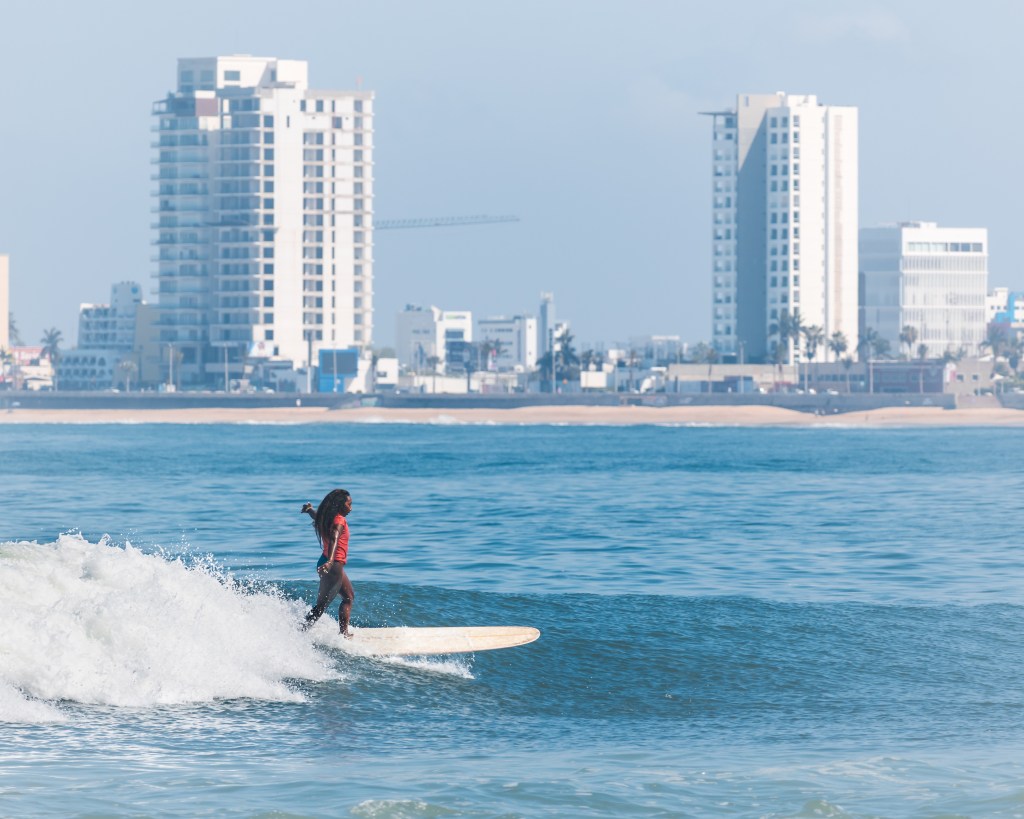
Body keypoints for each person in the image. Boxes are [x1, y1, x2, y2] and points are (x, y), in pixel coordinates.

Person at [300, 488, 355, 636]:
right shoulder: (339, 520)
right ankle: (298, 633)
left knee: (348, 597)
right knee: (321, 606)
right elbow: (333, 538)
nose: (351, 508)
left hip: (328, 562)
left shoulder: (327, 517)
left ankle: (344, 634)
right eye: (349, 504)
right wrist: (330, 561)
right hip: (333, 565)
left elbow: (316, 516)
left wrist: (309, 510)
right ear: (340, 505)